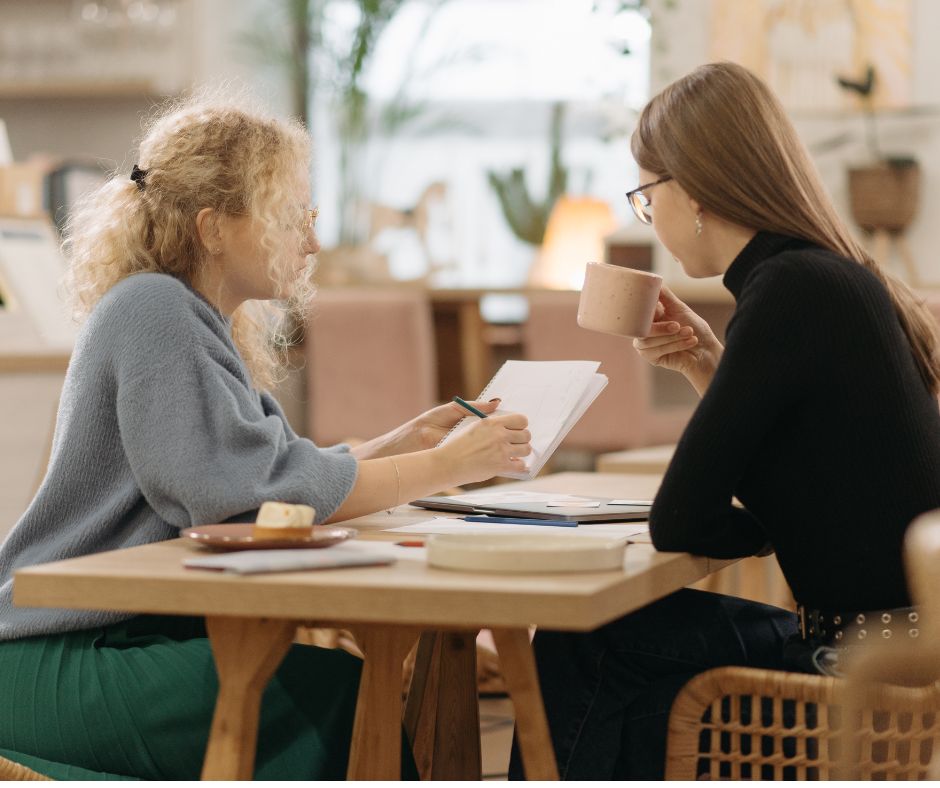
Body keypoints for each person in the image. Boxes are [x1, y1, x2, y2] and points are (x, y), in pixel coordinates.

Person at [0, 94, 531, 780]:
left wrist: (399, 444)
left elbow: (268, 472)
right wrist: (440, 466)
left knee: (331, 684)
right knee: (335, 693)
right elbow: (242, 500)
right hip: (57, 655)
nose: (309, 241)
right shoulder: (154, 310)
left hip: (106, 638)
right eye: (288, 219)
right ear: (213, 227)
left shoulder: (188, 316)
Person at [509, 61, 940, 780]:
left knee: (582, 641)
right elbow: (817, 480)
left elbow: (679, 520)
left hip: (857, 668)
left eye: (648, 195)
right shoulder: (833, 276)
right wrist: (708, 368)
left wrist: (770, 533)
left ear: (696, 190)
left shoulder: (789, 292)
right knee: (625, 661)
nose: (651, 217)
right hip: (905, 650)